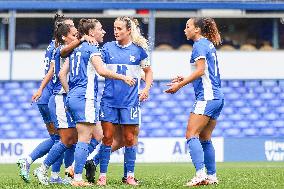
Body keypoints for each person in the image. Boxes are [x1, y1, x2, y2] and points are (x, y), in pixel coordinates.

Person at [59, 18, 136, 187]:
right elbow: (101, 71)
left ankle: (74, 168)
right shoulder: (91, 48)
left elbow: (62, 71)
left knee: (99, 135)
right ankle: (77, 178)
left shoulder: (76, 47)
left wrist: (70, 93)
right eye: (100, 29)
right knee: (84, 139)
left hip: (74, 97)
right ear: (91, 32)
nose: (104, 32)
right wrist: (124, 77)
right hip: (85, 98)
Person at [165, 17, 224, 187]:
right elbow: (205, 73)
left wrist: (179, 85)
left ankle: (200, 175)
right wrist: (185, 78)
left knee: (191, 135)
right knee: (205, 138)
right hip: (217, 97)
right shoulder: (208, 44)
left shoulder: (199, 45)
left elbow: (200, 71)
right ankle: (211, 176)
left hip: (206, 97)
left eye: (188, 26)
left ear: (197, 29)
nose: (185, 29)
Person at [17, 14, 75, 184]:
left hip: (46, 97)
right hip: (52, 97)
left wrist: (39, 89)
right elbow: (53, 72)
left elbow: (50, 70)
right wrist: (42, 89)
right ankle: (52, 173)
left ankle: (30, 161)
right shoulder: (60, 47)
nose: (74, 29)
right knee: (63, 139)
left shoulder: (53, 46)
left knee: (59, 139)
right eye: (70, 26)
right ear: (62, 30)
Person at [96, 16, 153, 186]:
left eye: (119, 28)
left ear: (129, 30)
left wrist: (146, 88)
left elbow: (148, 72)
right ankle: (102, 176)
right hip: (109, 101)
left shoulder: (139, 50)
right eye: (114, 28)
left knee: (129, 138)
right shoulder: (107, 48)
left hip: (130, 102)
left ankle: (129, 175)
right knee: (107, 138)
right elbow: (97, 66)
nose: (116, 31)